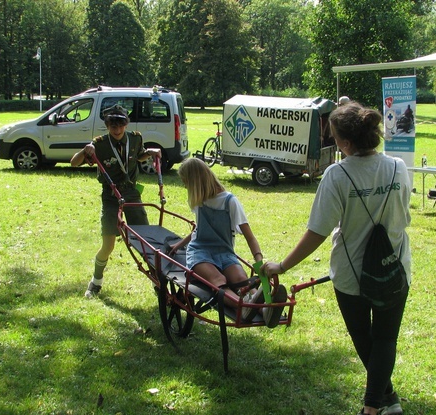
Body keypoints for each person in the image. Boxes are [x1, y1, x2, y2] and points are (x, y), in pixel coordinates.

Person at [261, 102, 411, 415]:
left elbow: (316, 232)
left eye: (333, 137)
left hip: (351, 276)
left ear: (344, 142)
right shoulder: (399, 167)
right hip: (395, 270)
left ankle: (373, 408)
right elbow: (404, 217)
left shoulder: (337, 175)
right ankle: (389, 401)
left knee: (366, 340)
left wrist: (282, 266)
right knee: (385, 340)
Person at [170, 158, 287, 327]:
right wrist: (179, 245)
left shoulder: (229, 202)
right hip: (200, 252)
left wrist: (259, 260)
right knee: (218, 280)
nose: (186, 187)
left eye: (186, 182)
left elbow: (249, 236)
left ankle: (264, 310)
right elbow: (198, 229)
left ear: (195, 181)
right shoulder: (200, 199)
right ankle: (246, 306)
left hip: (224, 252)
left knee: (241, 279)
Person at [71, 104, 162, 298]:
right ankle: (95, 282)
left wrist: (150, 153)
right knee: (108, 245)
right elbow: (74, 162)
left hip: (131, 193)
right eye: (113, 126)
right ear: (107, 125)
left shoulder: (135, 138)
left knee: (145, 241)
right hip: (111, 197)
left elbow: (138, 156)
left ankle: (157, 282)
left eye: (120, 125)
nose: (117, 130)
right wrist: (85, 150)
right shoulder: (100, 143)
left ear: (126, 124)